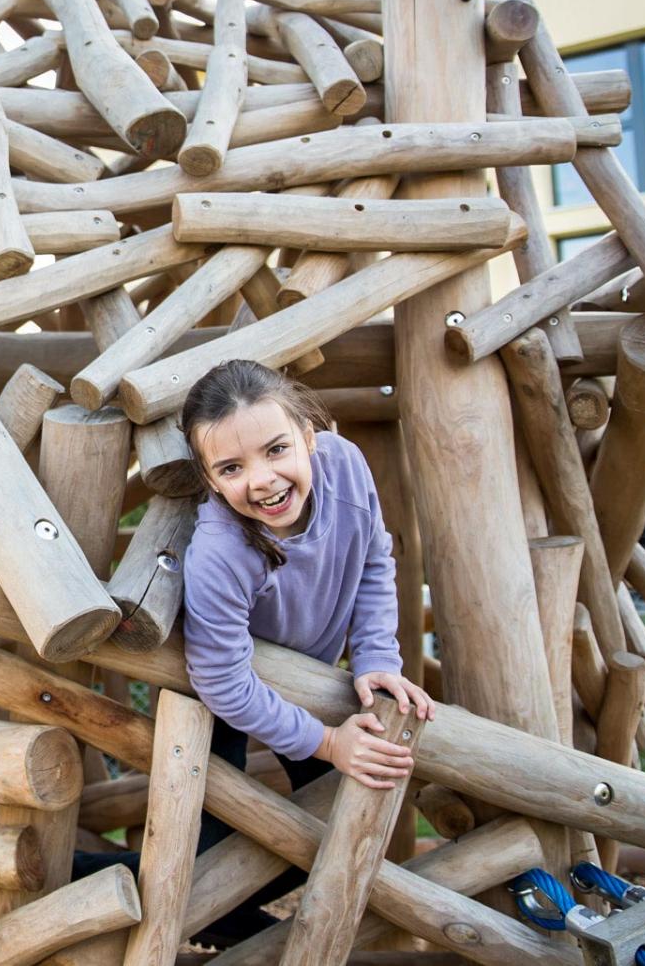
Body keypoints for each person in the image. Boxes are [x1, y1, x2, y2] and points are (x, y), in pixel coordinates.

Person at [173, 358, 432, 938]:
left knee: (343, 816)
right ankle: (218, 924)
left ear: (310, 438)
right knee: (203, 862)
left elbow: (372, 559)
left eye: (276, 450)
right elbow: (221, 683)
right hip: (218, 689)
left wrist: (375, 657)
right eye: (232, 467)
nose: (262, 479)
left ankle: (230, 919)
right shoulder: (220, 550)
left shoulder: (344, 466)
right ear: (211, 480)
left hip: (310, 672)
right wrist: (328, 743)